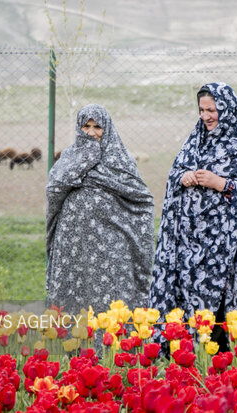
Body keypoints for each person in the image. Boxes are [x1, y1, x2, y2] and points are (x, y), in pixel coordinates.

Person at [148, 82, 237, 352]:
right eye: (202, 110)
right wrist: (183, 177)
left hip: (226, 253)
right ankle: (186, 361)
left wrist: (221, 183)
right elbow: (173, 174)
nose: (206, 116)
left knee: (218, 317)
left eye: (212, 110)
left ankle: (222, 362)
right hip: (189, 247)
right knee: (187, 309)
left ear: (227, 110)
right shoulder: (196, 139)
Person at [45, 104, 154, 316]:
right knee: (74, 295)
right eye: (86, 126)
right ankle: (74, 347)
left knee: (111, 300)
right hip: (73, 245)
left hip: (111, 244)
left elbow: (141, 198)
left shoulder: (121, 160)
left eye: (97, 126)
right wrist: (84, 160)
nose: (91, 132)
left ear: (108, 128)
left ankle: (112, 347)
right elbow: (54, 189)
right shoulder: (69, 157)